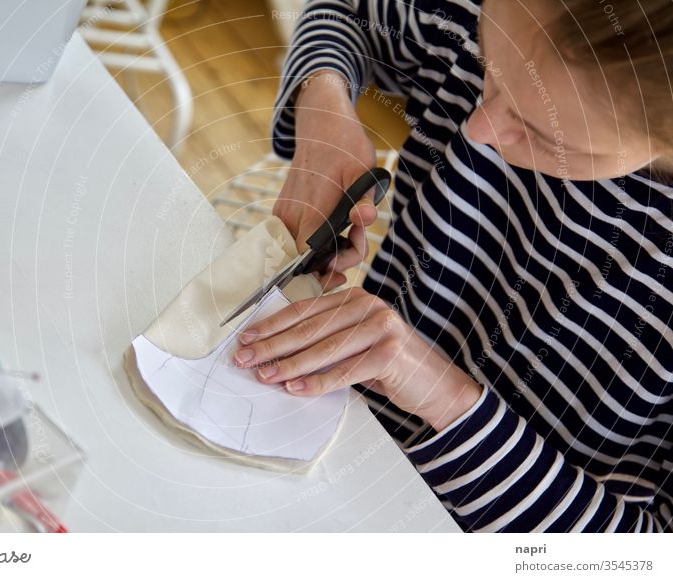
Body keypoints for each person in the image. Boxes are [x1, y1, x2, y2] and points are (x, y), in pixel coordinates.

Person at [231, 0, 673, 532]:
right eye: (490, 68)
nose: (480, 128)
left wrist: (447, 398)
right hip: (318, 440)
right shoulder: (512, 22)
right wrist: (322, 105)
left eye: (545, 134)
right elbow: (343, 12)